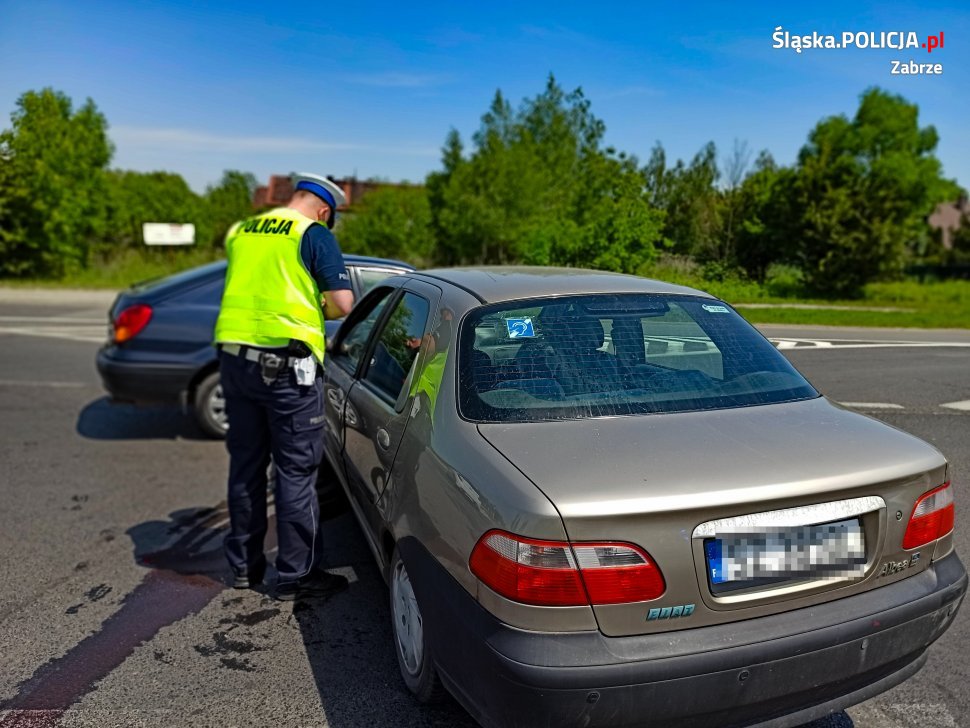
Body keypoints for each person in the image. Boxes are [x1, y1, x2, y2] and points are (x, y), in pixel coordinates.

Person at [213, 172, 355, 601]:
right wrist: (318, 301)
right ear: (325, 211)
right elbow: (343, 303)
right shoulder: (311, 234)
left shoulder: (243, 231)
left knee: (246, 466)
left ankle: (243, 567)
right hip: (287, 371)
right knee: (294, 474)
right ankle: (297, 576)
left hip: (235, 363)